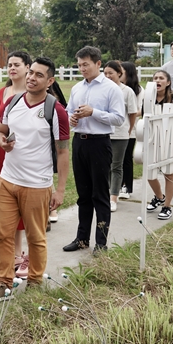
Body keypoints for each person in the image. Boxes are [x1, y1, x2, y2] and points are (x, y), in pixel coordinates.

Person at [0, 57, 69, 303]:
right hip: (7, 180)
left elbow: (63, 152)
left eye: (39, 75)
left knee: (35, 237)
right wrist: (1, 143)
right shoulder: (12, 102)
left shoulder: (56, 110)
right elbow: (1, 131)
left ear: (50, 81)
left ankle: (34, 282)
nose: (31, 77)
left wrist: (60, 190)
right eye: (30, 72)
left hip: (37, 184)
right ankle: (4, 283)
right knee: (2, 235)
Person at [63, 46, 125, 253]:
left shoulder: (111, 89)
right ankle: (82, 238)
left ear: (98, 64)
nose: (82, 69)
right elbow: (69, 111)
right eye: (79, 65)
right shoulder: (76, 88)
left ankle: (101, 241)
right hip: (79, 142)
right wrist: (71, 118)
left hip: (99, 143)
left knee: (100, 194)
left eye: (86, 65)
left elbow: (118, 118)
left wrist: (94, 112)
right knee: (83, 194)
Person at [0, 52, 37, 276]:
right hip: (6, 155)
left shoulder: (34, 92)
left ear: (27, 67)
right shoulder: (2, 93)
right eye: (9, 65)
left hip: (29, 158)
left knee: (28, 208)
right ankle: (15, 255)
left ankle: (31, 256)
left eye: (17, 65)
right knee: (8, 208)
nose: (12, 68)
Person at [102, 61, 138, 212]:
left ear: (119, 73)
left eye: (111, 73)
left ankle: (113, 197)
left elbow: (132, 113)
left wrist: (128, 130)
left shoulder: (127, 91)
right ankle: (104, 193)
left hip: (120, 134)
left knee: (116, 166)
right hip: (103, 133)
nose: (108, 76)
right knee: (104, 166)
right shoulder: (101, 89)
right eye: (105, 73)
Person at [144, 70, 173, 220]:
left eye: (161, 78)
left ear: (168, 82)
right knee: (150, 172)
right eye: (155, 78)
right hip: (152, 138)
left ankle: (167, 206)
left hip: (171, 137)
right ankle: (159, 197)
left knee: (169, 172)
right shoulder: (148, 98)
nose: (158, 80)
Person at [119, 62, 142, 199]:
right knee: (115, 160)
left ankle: (126, 187)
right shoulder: (115, 88)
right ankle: (116, 185)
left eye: (120, 70)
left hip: (130, 128)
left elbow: (140, 110)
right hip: (115, 129)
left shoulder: (138, 90)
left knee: (126, 158)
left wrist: (127, 115)